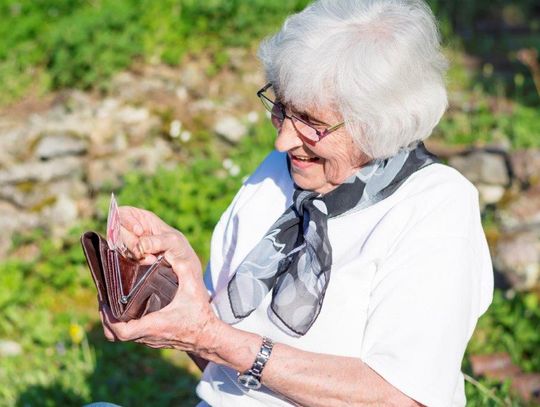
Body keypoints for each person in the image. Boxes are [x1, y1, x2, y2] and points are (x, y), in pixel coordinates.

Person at [99, 0, 494, 405]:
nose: (283, 141)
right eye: (282, 110)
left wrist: (209, 336)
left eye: (312, 124)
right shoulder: (278, 172)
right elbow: (223, 369)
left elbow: (403, 398)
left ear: (379, 124)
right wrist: (177, 284)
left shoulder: (434, 206)